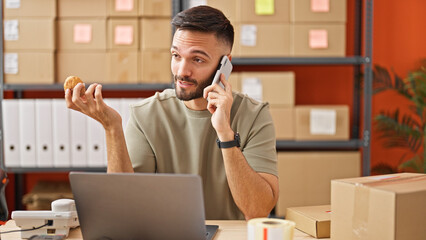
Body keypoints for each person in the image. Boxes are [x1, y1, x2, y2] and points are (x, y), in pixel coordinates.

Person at [65, 5, 278, 220]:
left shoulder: (254, 115)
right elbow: (123, 208)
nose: (182, 71)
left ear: (225, 65)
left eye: (197, 59)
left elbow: (258, 210)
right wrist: (112, 128)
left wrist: (225, 134)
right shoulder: (147, 115)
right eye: (176, 55)